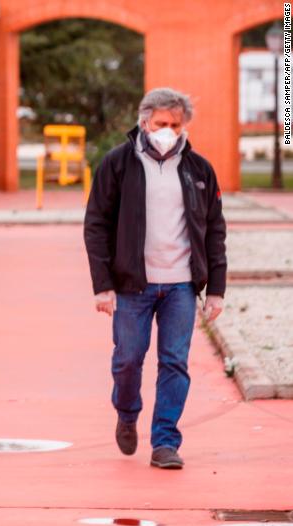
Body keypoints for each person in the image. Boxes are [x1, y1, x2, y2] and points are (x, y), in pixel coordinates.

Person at [84, 87, 227, 470]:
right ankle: (127, 412)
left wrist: (216, 289)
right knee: (128, 359)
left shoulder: (199, 169)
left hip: (181, 284)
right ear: (145, 121)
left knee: (174, 362)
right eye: (161, 123)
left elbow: (214, 230)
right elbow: (95, 225)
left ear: (184, 127)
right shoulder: (118, 164)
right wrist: (103, 284)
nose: (168, 131)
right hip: (133, 285)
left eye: (175, 125)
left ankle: (165, 441)